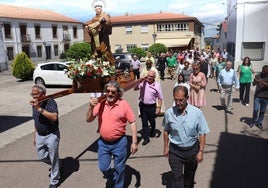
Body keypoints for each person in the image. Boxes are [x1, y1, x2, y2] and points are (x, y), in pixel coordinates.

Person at [86, 81, 138, 188]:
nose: (110, 94)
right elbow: (88, 119)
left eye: (113, 92)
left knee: (119, 168)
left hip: (119, 143)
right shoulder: (101, 104)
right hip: (103, 143)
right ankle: (114, 178)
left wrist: (134, 142)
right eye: (108, 91)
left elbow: (132, 122)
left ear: (118, 93)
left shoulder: (123, 104)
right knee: (103, 168)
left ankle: (118, 185)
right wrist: (90, 107)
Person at [163, 85, 210, 188]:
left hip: (192, 151)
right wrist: (166, 147)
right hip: (175, 151)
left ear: (187, 98)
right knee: (177, 178)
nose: (178, 103)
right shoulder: (169, 113)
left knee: (189, 180)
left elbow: (202, 133)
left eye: (181, 100)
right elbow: (166, 130)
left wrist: (201, 151)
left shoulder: (197, 113)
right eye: (176, 100)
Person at [30, 84, 61, 188]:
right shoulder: (34, 104)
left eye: (36, 94)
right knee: (41, 156)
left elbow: (54, 117)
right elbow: (35, 120)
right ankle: (57, 163)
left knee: (54, 158)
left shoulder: (51, 102)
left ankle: (54, 181)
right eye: (32, 94)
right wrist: (35, 136)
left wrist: (39, 108)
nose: (33, 97)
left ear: (43, 94)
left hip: (51, 134)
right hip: (40, 134)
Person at [134, 70, 163, 145]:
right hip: (143, 105)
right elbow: (135, 88)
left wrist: (159, 107)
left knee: (152, 121)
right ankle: (146, 138)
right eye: (148, 76)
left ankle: (152, 131)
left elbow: (160, 98)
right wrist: (140, 80)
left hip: (151, 106)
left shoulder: (157, 85)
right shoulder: (143, 83)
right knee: (144, 122)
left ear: (154, 77)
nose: (149, 78)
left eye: (151, 76)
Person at [250, 65, 268, 129]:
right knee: (256, 109)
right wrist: (255, 81)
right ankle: (253, 121)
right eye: (263, 70)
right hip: (257, 96)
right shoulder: (258, 75)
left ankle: (259, 122)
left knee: (262, 111)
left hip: (266, 97)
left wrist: (262, 82)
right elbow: (253, 84)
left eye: (265, 71)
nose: (263, 72)